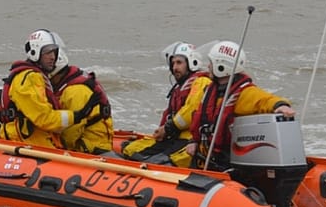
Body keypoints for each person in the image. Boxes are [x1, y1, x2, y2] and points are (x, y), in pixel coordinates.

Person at [185, 40, 296, 170]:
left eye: (211, 63)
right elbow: (198, 120)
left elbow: (264, 100)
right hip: (205, 157)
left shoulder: (244, 93)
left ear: (221, 66)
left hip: (224, 160)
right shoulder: (211, 90)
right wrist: (193, 141)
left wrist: (281, 105)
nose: (208, 66)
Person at [120, 42, 212, 167]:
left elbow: (190, 112)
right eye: (173, 63)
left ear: (192, 63)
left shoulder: (201, 82)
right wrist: (161, 131)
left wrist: (167, 128)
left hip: (188, 139)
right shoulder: (179, 88)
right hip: (174, 137)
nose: (175, 68)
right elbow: (169, 113)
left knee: (159, 162)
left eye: (179, 63)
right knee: (130, 149)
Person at [0, 29, 92, 148]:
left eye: (54, 52)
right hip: (27, 142)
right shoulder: (29, 79)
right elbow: (44, 118)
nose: (53, 57)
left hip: (38, 140)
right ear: (35, 52)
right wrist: (76, 116)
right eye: (48, 52)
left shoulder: (37, 77)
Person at [49, 47, 115, 155]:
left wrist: (56, 146)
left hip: (91, 147)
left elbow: (72, 131)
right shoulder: (72, 82)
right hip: (91, 141)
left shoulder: (75, 91)